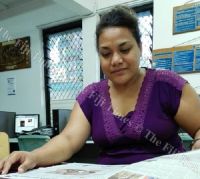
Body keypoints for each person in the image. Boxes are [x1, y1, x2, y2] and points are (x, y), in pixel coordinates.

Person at [1, 5, 200, 174]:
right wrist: (33, 156)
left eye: (124, 49)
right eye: (106, 53)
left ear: (140, 46)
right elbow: (68, 140)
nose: (116, 60)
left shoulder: (167, 85)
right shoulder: (92, 96)